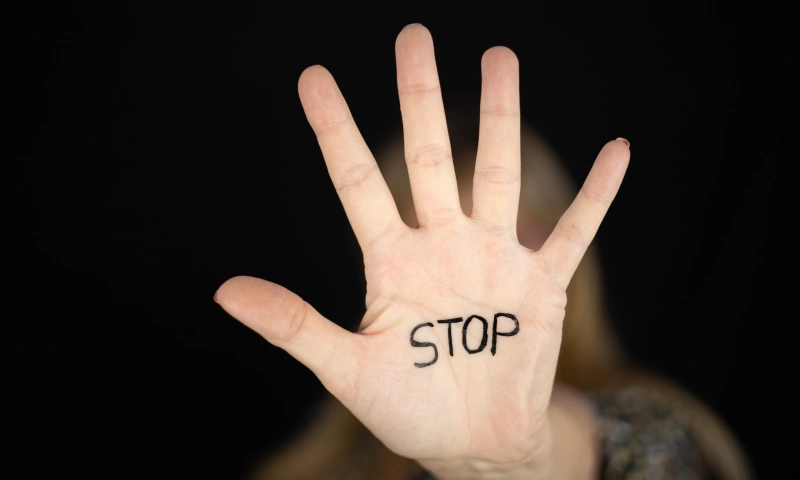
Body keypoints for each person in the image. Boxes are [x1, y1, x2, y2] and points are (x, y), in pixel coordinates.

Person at [215, 24, 752, 479]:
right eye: (438, 242)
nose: (478, 272)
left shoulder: (660, 427)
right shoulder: (321, 465)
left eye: (519, 229)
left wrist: (520, 460)